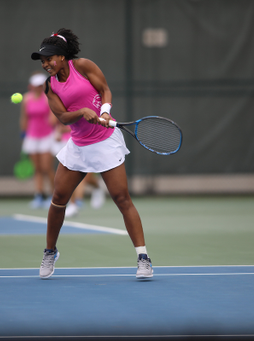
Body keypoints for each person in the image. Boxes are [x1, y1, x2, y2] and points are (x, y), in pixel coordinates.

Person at [31, 28, 153, 279]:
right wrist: (81, 112)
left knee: (121, 198)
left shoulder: (84, 66)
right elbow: (63, 117)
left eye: (49, 59)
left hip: (105, 141)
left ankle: (143, 258)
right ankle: (50, 251)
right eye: (42, 61)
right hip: (78, 145)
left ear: (62, 57)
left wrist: (105, 112)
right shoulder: (50, 86)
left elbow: (105, 89)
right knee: (58, 199)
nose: (45, 64)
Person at [20, 72, 57, 209]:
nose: (38, 88)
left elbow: (53, 117)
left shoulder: (49, 98)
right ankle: (39, 195)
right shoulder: (26, 99)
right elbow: (24, 117)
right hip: (31, 137)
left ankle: (53, 196)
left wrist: (51, 121)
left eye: (40, 86)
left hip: (47, 137)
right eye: (36, 86)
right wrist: (23, 131)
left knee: (47, 168)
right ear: (31, 86)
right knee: (37, 169)